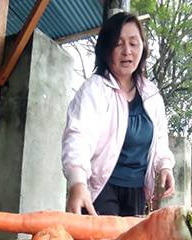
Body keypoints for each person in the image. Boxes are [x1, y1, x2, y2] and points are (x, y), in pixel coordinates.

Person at [62, 12, 175, 216]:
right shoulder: (94, 90)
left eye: (133, 43)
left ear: (143, 47)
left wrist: (165, 166)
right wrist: (77, 182)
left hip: (137, 193)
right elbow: (78, 135)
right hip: (101, 189)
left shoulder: (151, 95)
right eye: (118, 44)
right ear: (106, 50)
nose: (127, 51)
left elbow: (159, 140)